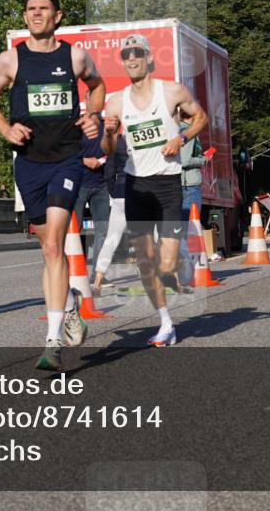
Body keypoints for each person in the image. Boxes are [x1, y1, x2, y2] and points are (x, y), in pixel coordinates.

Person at [0, 0, 105, 371]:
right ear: (24, 16)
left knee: (53, 246)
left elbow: (98, 86)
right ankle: (68, 305)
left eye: (43, 8)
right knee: (46, 247)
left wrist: (93, 115)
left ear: (57, 16)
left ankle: (52, 342)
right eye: (30, 9)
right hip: (29, 164)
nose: (36, 14)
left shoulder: (74, 56)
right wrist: (5, 129)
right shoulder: (10, 60)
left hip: (66, 160)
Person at [101, 32, 207, 347]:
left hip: (167, 183)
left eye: (137, 53)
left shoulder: (171, 91)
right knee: (146, 262)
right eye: (126, 55)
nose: (131, 59)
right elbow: (108, 150)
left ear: (149, 57)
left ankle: (180, 256)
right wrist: (109, 134)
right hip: (135, 185)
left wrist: (180, 138)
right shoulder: (116, 101)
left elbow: (200, 117)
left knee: (167, 264)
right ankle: (165, 323)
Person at [92, 135, 128, 295]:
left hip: (121, 191)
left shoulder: (116, 142)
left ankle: (98, 280)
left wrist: (115, 192)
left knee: (111, 239)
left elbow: (108, 173)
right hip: (140, 191)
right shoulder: (144, 138)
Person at [73, 131, 110, 275]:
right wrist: (84, 160)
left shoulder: (106, 125)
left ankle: (98, 275)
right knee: (74, 231)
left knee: (103, 231)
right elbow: (63, 152)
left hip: (101, 186)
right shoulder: (76, 125)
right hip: (78, 185)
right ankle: (73, 273)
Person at [176, 118, 206, 291]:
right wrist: (203, 160)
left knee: (180, 229)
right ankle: (186, 272)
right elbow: (186, 160)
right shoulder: (188, 132)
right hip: (189, 185)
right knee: (189, 229)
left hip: (178, 184)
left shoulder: (173, 129)